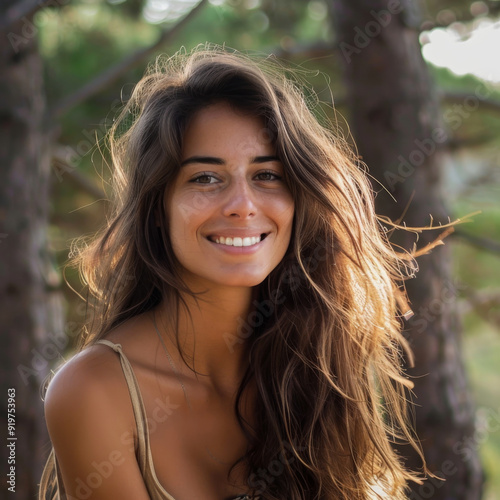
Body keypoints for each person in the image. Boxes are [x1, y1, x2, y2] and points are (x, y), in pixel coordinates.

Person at [39, 45, 426, 500]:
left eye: (267, 176)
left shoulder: (321, 356)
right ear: (158, 208)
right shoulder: (95, 392)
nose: (242, 206)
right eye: (205, 178)